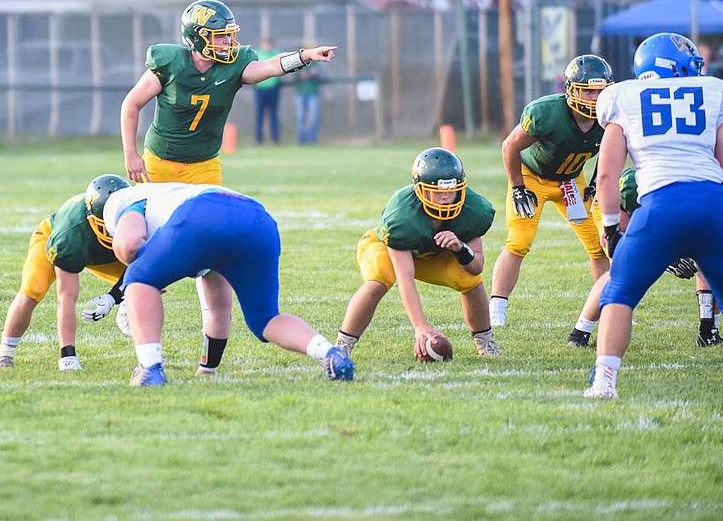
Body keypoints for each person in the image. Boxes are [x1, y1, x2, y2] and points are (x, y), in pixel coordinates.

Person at [119, 0, 337, 370]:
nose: (227, 44)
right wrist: (131, 153)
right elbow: (131, 104)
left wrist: (304, 56)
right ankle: (129, 297)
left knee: (211, 256)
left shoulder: (234, 63)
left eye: (228, 37)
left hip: (205, 167)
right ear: (197, 38)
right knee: (145, 240)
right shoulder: (169, 61)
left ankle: (211, 342)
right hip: (160, 163)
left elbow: (267, 67)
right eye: (220, 38)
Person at [585, 32, 723, 398]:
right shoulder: (714, 92)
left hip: (659, 205)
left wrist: (612, 226)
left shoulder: (622, 98)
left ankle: (604, 382)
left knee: (620, 293)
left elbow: (606, 175)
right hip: (712, 201)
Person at [102, 181, 355, 386]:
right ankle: (331, 354)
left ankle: (150, 370)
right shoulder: (169, 193)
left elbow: (130, 244)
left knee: (138, 279)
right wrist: (207, 371)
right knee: (265, 318)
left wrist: (142, 273)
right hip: (258, 219)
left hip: (199, 214)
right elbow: (219, 311)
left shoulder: (127, 201)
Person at [335, 148, 501, 360]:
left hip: (430, 255)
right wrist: (420, 326)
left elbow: (476, 266)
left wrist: (460, 248)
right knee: (380, 278)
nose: (446, 198)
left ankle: (485, 342)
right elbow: (405, 279)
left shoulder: (472, 209)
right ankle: (342, 345)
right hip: (385, 247)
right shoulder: (402, 216)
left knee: (470, 279)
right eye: (438, 192)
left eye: (451, 191)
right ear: (420, 190)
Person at [488, 55, 615, 328]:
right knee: (519, 241)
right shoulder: (546, 113)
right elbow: (510, 147)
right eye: (587, 91)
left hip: (570, 182)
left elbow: (610, 151)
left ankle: (606, 308)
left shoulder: (611, 116)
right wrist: (518, 187)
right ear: (571, 90)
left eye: (599, 91)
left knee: (598, 246)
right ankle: (496, 309)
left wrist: (594, 181)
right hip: (531, 177)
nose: (594, 98)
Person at [567, 166, 723, 349]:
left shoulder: (701, 197)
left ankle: (708, 331)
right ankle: (579, 333)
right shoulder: (637, 185)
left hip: (655, 212)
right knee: (621, 268)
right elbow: (622, 241)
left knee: (711, 260)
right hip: (615, 205)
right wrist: (665, 258)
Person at [0, 175, 131, 370]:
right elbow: (66, 297)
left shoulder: (139, 215)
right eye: (107, 225)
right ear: (93, 218)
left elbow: (143, 269)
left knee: (146, 285)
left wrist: (115, 297)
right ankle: (5, 354)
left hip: (101, 247)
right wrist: (68, 356)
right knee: (33, 289)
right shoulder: (70, 235)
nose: (112, 231)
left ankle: (149, 352)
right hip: (58, 236)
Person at [253, 35, 282, 144]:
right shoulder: (257, 54)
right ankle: (259, 139)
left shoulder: (276, 54)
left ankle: (275, 138)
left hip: (273, 89)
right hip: (260, 89)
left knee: (274, 114)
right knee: (259, 114)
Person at [293, 46, 323, 144]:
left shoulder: (316, 62)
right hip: (301, 94)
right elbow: (294, 77)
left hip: (313, 93)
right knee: (301, 117)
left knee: (313, 117)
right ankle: (302, 140)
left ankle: (312, 140)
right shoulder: (297, 63)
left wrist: (311, 75)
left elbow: (320, 74)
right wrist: (301, 76)